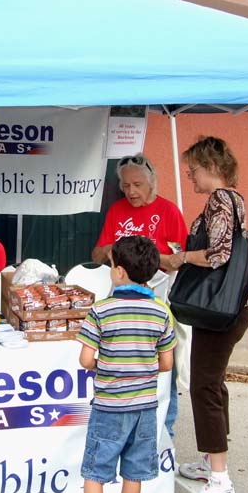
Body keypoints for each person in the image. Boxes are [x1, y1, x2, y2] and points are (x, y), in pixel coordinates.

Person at [72, 235, 176, 493]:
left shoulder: (101, 310)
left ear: (118, 272)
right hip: (144, 408)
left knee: (95, 471)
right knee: (134, 472)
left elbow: (86, 360)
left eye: (111, 264)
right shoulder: (161, 312)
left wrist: (109, 363)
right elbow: (167, 363)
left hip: (108, 407)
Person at [165, 135, 248, 493]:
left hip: (218, 310)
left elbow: (218, 254)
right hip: (229, 308)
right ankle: (210, 459)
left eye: (193, 170)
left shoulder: (220, 200)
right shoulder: (235, 200)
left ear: (212, 168)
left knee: (203, 386)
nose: (190, 178)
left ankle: (219, 480)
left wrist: (180, 257)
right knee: (213, 383)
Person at [92, 153, 189, 446]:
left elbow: (178, 260)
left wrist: (143, 257)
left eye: (137, 184)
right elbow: (95, 256)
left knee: (163, 366)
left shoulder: (169, 212)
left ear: (152, 183)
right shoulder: (116, 211)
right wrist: (110, 249)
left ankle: (165, 434)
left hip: (159, 302)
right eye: (125, 185)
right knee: (123, 363)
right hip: (122, 303)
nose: (131, 191)